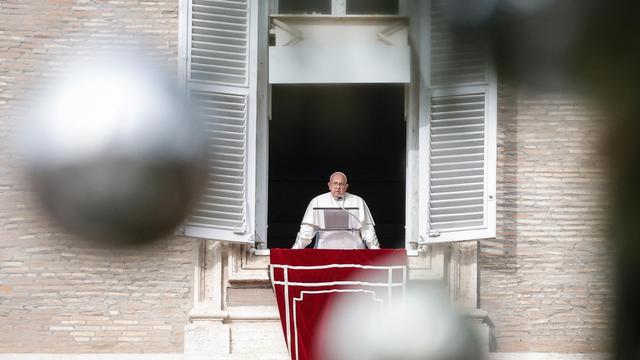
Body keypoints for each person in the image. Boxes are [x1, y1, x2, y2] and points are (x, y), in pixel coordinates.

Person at [292, 172, 380, 249]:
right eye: (335, 183)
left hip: (354, 252)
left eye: (341, 184)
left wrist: (376, 250)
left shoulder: (358, 201)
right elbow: (306, 232)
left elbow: (368, 230)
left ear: (346, 187)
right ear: (329, 185)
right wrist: (294, 250)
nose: (338, 187)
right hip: (325, 252)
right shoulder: (317, 201)